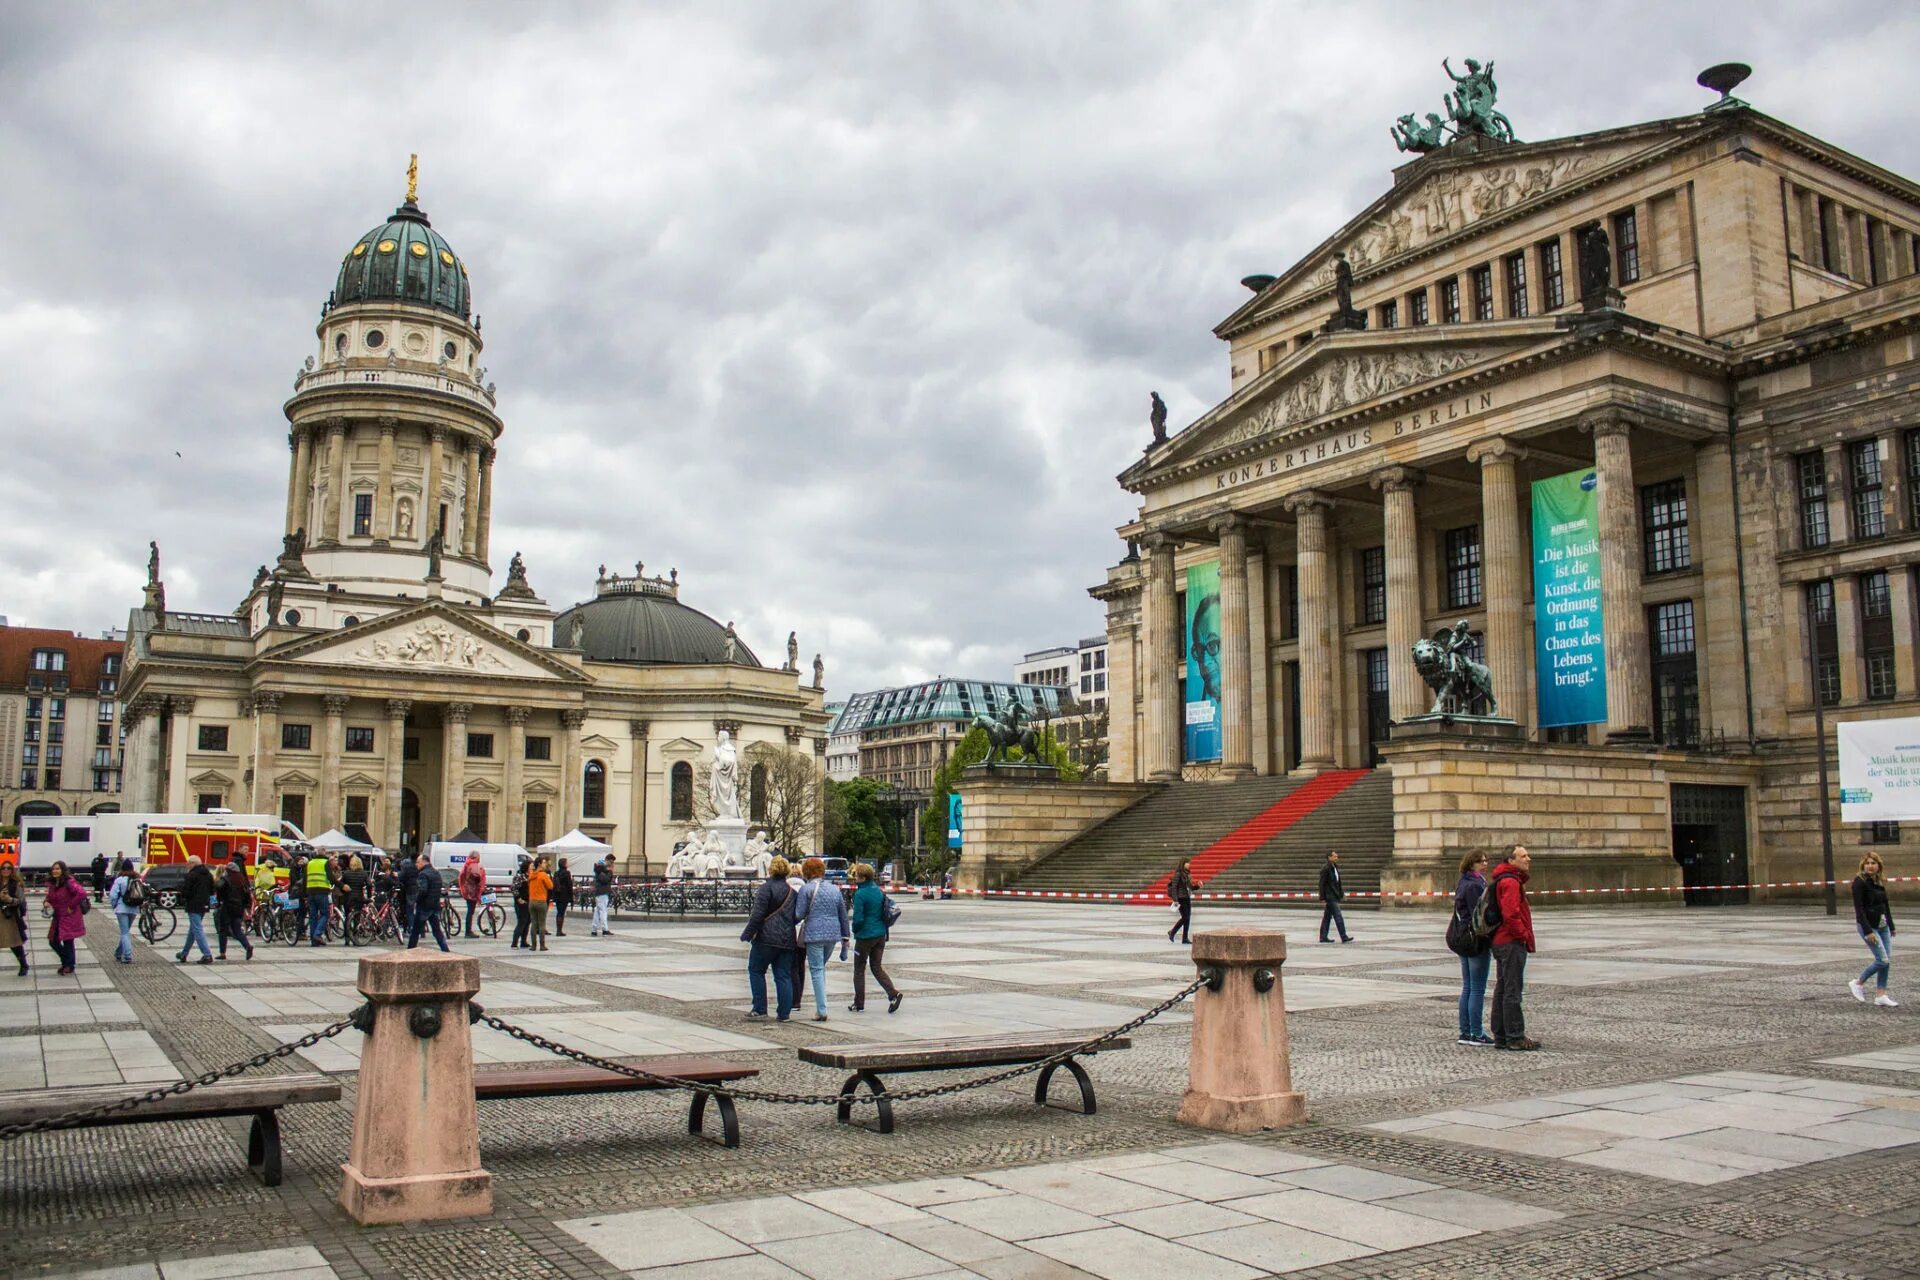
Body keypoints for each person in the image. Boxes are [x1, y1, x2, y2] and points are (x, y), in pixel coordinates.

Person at [1488, 844, 1538, 1051]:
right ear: (1511, 860)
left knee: (1503, 988)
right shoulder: (1510, 882)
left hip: (1502, 941)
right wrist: (1522, 935)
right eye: (1523, 856)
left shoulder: (1505, 879)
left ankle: (1500, 1034)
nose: (1528, 859)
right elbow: (1511, 914)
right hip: (1510, 942)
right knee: (1512, 990)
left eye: (1527, 855)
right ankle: (1515, 1036)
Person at [792, 856, 850, 1022]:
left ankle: (822, 1009)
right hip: (833, 934)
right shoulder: (834, 889)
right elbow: (843, 914)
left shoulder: (806, 889)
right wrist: (845, 936)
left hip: (814, 933)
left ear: (807, 872)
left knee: (816, 970)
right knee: (820, 968)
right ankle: (821, 1004)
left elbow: (799, 914)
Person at [742, 856, 798, 1020]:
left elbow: (757, 915)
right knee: (783, 975)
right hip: (787, 938)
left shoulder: (766, 889)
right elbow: (797, 915)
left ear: (771, 870)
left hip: (766, 938)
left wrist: (747, 933)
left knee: (756, 970)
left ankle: (760, 1008)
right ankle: (784, 1013)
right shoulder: (792, 892)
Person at [848, 863, 902, 1014]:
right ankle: (893, 994)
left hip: (865, 936)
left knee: (859, 969)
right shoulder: (878, 891)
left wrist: (854, 930)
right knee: (876, 967)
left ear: (863, 877)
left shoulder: (860, 894)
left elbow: (858, 919)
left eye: (856, 875)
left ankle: (859, 1003)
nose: (855, 878)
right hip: (880, 935)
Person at [1452, 851, 1493, 1046]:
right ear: (1471, 864)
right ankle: (1476, 1033)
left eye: (1486, 860)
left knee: (1468, 986)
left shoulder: (1462, 881)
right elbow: (1480, 915)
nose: (1484, 864)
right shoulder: (1476, 885)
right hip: (1476, 940)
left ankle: (1465, 1031)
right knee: (1477, 988)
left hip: (1463, 938)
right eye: (1480, 861)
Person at [1850, 853, 1899, 1008]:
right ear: (1863, 865)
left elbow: (1885, 905)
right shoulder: (1860, 882)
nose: (1870, 866)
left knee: (1887, 962)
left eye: (1873, 863)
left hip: (1882, 925)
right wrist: (1867, 931)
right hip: (1869, 926)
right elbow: (1859, 909)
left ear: (1879, 865)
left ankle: (1881, 995)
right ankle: (1858, 982)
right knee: (1882, 960)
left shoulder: (1878, 882)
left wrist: (1891, 925)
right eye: (1867, 863)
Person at [44, 860, 88, 976]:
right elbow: (50, 897)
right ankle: (67, 962)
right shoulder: (53, 884)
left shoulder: (69, 882)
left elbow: (82, 893)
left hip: (69, 916)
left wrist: (71, 905)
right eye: (53, 869)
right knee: (53, 941)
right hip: (58, 916)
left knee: (68, 940)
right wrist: (46, 902)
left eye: (58, 868)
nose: (55, 871)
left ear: (63, 870)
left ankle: (69, 965)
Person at [175, 855, 215, 965]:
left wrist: (183, 894)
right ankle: (184, 953)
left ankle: (207, 954)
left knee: (197, 929)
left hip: (193, 905)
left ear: (193, 863)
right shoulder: (208, 874)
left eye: (188, 863)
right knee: (193, 930)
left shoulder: (192, 875)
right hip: (204, 904)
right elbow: (212, 890)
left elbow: (186, 891)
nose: (187, 865)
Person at [407, 853, 449, 951]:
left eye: (418, 862)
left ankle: (409, 950)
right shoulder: (436, 872)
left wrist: (416, 901)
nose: (416, 864)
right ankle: (445, 949)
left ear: (424, 862)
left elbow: (423, 890)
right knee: (436, 930)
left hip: (424, 907)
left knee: (415, 931)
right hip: (434, 905)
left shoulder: (423, 874)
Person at [215, 861, 256, 962]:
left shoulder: (226, 878)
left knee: (223, 930)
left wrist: (220, 900)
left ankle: (222, 953)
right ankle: (247, 946)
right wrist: (246, 907)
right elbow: (247, 895)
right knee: (237, 930)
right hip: (238, 908)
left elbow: (218, 887)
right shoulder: (241, 880)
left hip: (227, 907)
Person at [109, 858, 140, 964]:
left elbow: (113, 895)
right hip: (134, 909)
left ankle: (127, 955)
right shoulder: (137, 879)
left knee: (124, 932)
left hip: (122, 908)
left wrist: (114, 906)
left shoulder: (120, 880)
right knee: (126, 932)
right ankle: (118, 953)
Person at [0, 861, 29, 976]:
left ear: (12, 870)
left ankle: (23, 964)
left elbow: (21, 901)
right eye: (3, 868)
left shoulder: (15, 884)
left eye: (8, 868)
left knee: (14, 942)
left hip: (9, 917)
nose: (5, 870)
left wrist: (9, 899)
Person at [1319, 850, 1352, 944]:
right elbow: (1322, 884)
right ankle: (1343, 936)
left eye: (1337, 856)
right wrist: (1322, 897)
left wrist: (1342, 894)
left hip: (1334, 895)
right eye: (1335, 856)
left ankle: (1323, 937)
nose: (1337, 858)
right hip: (1330, 896)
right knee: (1338, 916)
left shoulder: (1335, 867)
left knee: (1327, 917)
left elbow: (1338, 883)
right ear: (1329, 857)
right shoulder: (1326, 868)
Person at [304, 850, 335, 946]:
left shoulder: (310, 863)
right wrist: (341, 886)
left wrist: (304, 894)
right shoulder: (325, 863)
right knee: (325, 914)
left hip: (311, 892)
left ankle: (314, 942)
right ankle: (317, 934)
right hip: (322, 892)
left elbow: (305, 878)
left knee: (313, 917)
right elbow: (331, 877)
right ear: (324, 854)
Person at [339, 854, 369, 942]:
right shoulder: (364, 873)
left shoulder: (346, 873)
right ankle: (355, 936)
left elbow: (341, 885)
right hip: (359, 898)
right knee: (357, 917)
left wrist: (344, 892)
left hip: (348, 898)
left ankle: (347, 938)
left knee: (347, 917)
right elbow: (369, 884)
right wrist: (370, 896)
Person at [527, 855, 554, 951]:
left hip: (531, 901)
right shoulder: (543, 875)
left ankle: (533, 946)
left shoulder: (531, 875)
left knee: (534, 923)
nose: (545, 864)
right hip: (541, 901)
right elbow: (550, 886)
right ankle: (542, 945)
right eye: (544, 862)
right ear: (539, 864)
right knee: (542, 924)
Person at [457, 855, 487, 937]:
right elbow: (478, 879)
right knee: (470, 912)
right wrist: (479, 892)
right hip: (473, 893)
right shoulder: (475, 866)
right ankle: (468, 931)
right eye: (478, 856)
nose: (480, 858)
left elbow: (461, 877)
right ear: (475, 857)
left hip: (467, 892)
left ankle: (468, 931)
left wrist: (463, 888)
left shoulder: (466, 865)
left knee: (470, 911)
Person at [1168, 859, 1194, 945]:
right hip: (1180, 898)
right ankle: (1172, 932)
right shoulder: (1178, 874)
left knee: (1187, 919)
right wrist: (1175, 899)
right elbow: (1174, 887)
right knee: (1185, 917)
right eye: (1187, 863)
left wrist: (1198, 885)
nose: (1189, 864)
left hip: (1187, 898)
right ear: (1183, 864)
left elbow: (1191, 887)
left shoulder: (1187, 874)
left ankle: (1185, 938)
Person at [395, 851, 419, 940]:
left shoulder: (408, 866)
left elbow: (402, 877)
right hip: (418, 889)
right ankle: (421, 930)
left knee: (409, 910)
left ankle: (411, 928)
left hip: (409, 890)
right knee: (419, 910)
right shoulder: (419, 866)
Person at [509, 857, 532, 948]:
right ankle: (514, 942)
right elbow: (514, 888)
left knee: (528, 921)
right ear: (526, 867)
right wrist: (518, 898)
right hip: (521, 902)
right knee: (522, 921)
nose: (532, 867)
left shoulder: (530, 875)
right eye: (531, 866)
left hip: (529, 901)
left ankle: (523, 941)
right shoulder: (519, 876)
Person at [591, 856, 613, 936]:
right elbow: (606, 880)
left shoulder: (598, 871)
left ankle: (594, 929)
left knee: (597, 912)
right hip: (602, 893)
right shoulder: (601, 872)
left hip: (600, 892)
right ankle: (605, 929)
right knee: (603, 911)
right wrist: (610, 872)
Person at [553, 857, 575, 937]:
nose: (568, 863)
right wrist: (571, 897)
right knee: (561, 913)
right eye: (567, 862)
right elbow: (569, 885)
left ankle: (558, 929)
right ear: (564, 864)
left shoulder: (556, 873)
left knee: (559, 912)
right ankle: (559, 931)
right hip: (564, 895)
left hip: (557, 895)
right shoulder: (566, 873)